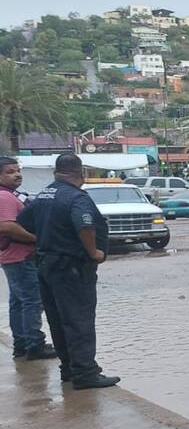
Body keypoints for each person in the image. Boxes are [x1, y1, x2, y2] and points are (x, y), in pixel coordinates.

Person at [17, 153, 119, 390]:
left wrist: (46, 240)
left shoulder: (42, 195)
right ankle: (85, 373)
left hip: (46, 266)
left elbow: (23, 222)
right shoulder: (76, 198)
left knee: (58, 320)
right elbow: (84, 224)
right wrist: (94, 252)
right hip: (71, 268)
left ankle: (69, 369)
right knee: (79, 320)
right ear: (80, 173)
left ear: (56, 172)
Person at [0, 157, 57, 361]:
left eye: (18, 170)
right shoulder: (5, 197)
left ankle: (22, 343)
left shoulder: (11, 194)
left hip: (13, 256)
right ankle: (34, 344)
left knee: (19, 301)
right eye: (9, 171)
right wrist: (37, 239)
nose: (17, 174)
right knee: (32, 300)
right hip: (20, 256)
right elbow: (7, 226)